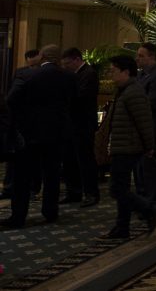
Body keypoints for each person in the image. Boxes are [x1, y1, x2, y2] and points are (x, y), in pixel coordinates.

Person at [2, 45, 75, 229]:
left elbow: (11, 100)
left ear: (42, 57)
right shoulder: (69, 77)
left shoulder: (26, 75)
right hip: (56, 134)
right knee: (52, 174)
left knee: (22, 178)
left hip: (29, 134)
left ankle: (18, 217)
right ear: (58, 59)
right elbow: (71, 102)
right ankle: (50, 212)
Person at [101, 55, 156, 240]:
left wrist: (149, 146)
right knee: (123, 187)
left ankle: (149, 209)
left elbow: (144, 121)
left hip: (128, 146)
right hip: (123, 145)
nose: (111, 74)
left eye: (114, 70)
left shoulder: (133, 92)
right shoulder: (124, 90)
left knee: (117, 188)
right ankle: (122, 227)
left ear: (126, 72)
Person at [60, 47, 100, 207]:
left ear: (77, 59)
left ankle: (91, 193)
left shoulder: (89, 74)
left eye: (68, 63)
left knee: (85, 159)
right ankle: (74, 191)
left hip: (83, 124)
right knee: (70, 159)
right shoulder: (73, 75)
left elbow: (82, 98)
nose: (66, 66)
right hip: (71, 123)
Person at [1, 49, 40, 200]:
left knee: (24, 161)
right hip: (24, 123)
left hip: (24, 124)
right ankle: (15, 189)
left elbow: (11, 98)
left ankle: (24, 189)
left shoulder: (27, 75)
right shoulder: (21, 72)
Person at [135, 42, 156, 207]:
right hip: (139, 126)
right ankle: (143, 200)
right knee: (140, 166)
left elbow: (152, 102)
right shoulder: (140, 75)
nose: (137, 59)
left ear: (151, 57)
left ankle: (154, 200)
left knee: (150, 164)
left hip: (152, 125)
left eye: (141, 56)